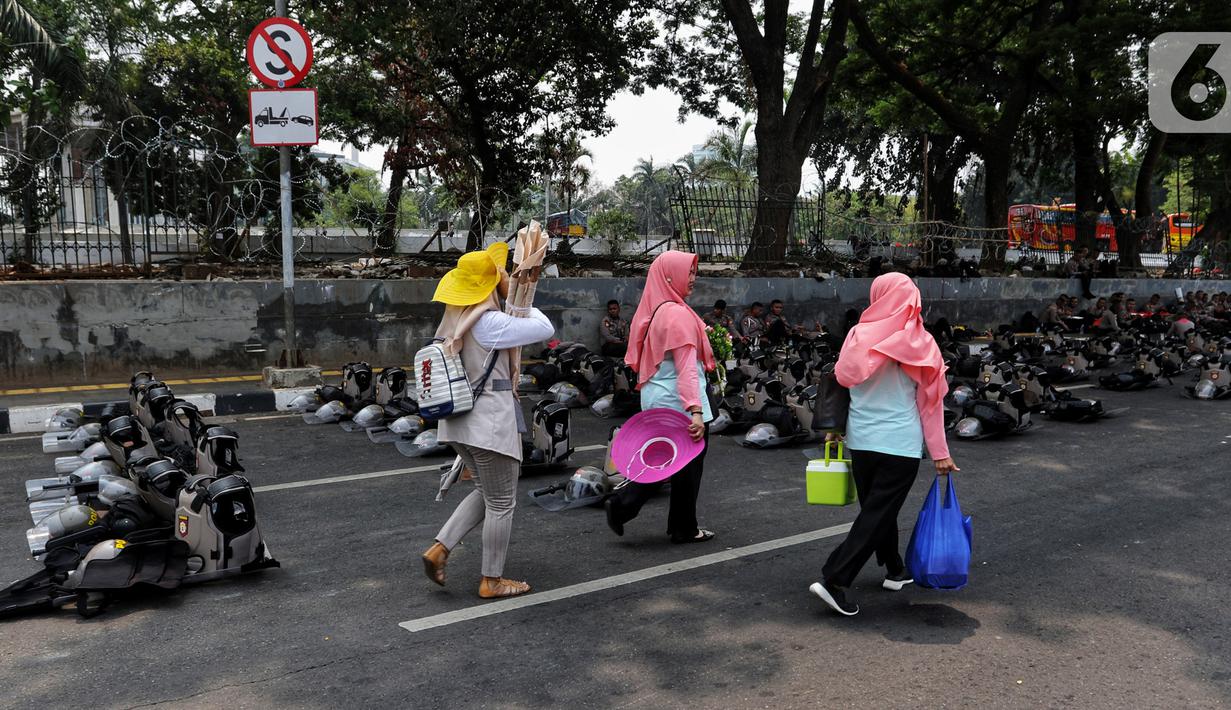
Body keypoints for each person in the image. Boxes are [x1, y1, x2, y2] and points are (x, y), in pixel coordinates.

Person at [809, 273, 959, 617]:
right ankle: (836, 578)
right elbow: (930, 404)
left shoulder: (857, 334)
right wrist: (940, 453)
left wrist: (836, 428)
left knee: (878, 511)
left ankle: (894, 568)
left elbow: (844, 383)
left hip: (861, 441)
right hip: (899, 444)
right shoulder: (919, 342)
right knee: (878, 513)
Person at [420, 243, 555, 599]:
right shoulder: (490, 321)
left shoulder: (455, 317)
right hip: (488, 424)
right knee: (502, 503)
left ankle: (439, 549)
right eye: (501, 273)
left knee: (488, 492)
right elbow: (543, 327)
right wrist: (518, 296)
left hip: (459, 423)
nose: (507, 276)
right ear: (492, 282)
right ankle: (491, 580)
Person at [604, 251, 717, 544]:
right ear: (668, 276)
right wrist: (695, 412)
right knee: (686, 465)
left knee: (667, 461)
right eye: (687, 272)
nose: (692, 279)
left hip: (659, 397)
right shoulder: (678, 314)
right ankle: (672, 524)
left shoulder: (660, 309)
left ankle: (633, 509)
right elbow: (687, 370)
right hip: (677, 401)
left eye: (693, 272)